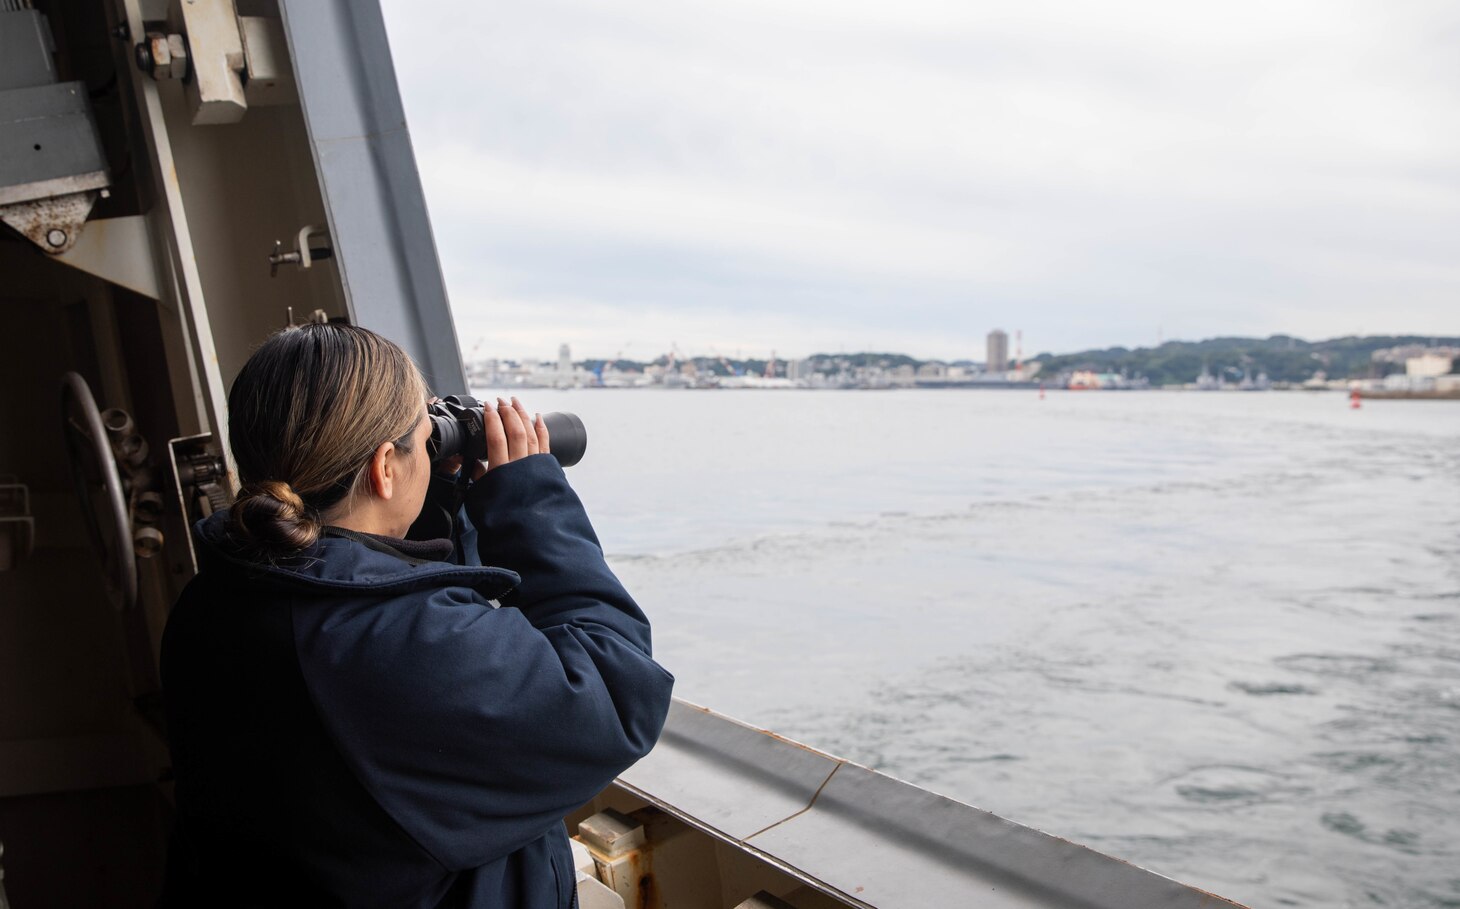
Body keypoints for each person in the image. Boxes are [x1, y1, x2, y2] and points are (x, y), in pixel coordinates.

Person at [160, 323, 674, 908]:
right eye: (425, 439)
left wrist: (440, 498)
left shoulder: (218, 597)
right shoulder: (396, 644)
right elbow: (617, 689)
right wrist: (529, 499)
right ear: (385, 467)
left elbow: (384, 589)